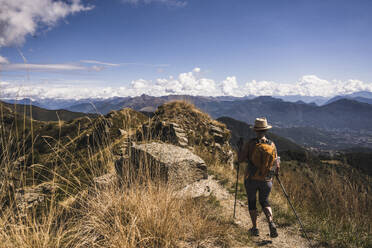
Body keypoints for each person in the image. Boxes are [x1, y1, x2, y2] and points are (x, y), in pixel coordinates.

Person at [238, 117, 280, 238]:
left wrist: (240, 148)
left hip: (251, 178)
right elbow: (276, 163)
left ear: (256, 130)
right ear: (265, 130)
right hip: (266, 179)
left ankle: (255, 228)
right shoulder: (272, 144)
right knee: (264, 201)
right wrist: (274, 174)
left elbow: (240, 159)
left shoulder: (251, 144)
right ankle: (271, 222)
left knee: (252, 202)